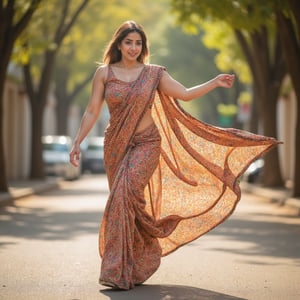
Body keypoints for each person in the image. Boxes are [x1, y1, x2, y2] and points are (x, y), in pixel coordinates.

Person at [69, 20, 280, 290]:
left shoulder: (154, 74)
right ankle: (137, 260)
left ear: (143, 46)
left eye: (138, 43)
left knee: (123, 195)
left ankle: (115, 270)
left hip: (146, 144)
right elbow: (91, 111)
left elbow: (185, 94)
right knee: (127, 205)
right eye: (128, 42)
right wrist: (77, 141)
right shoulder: (104, 73)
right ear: (118, 44)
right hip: (115, 146)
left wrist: (214, 82)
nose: (134, 48)